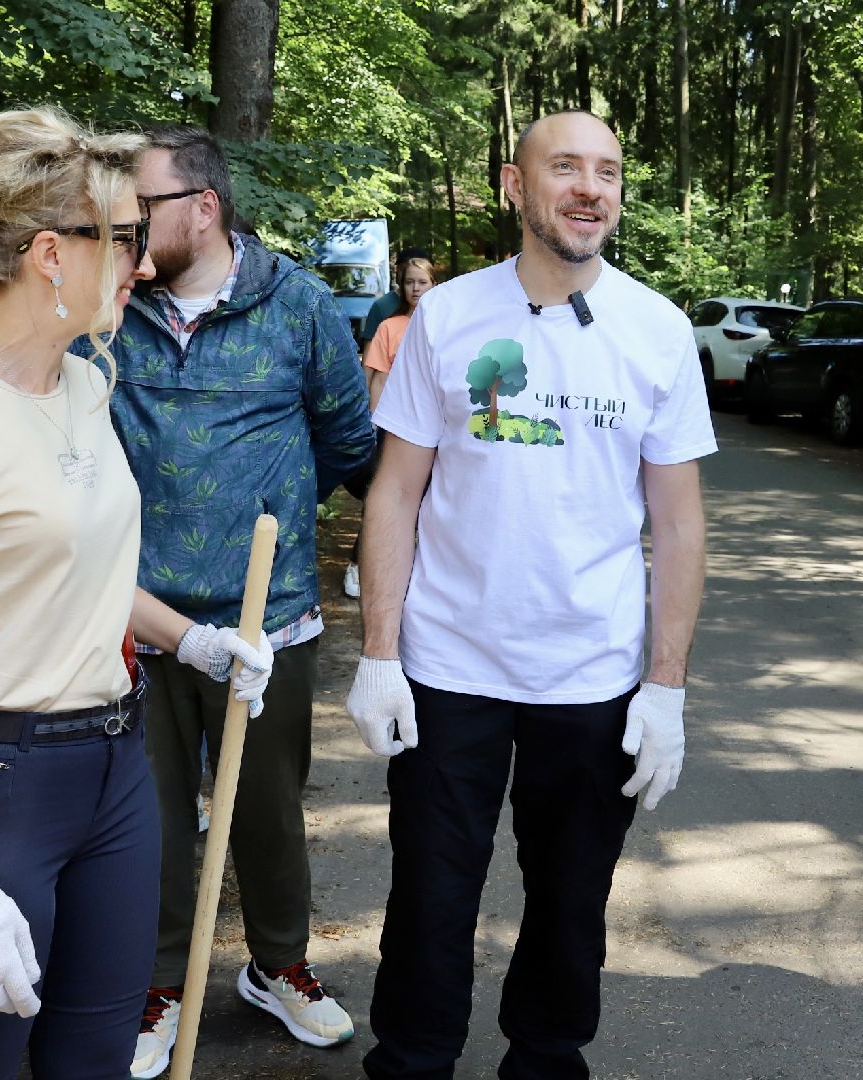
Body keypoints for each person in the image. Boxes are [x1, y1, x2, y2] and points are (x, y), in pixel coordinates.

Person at [0, 124, 375, 1078]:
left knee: (94, 1060)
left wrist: (198, 643)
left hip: (115, 780)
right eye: (128, 239)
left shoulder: (88, 387)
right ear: (53, 254)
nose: (140, 266)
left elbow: (88, 573)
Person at [345, 110, 714, 1079]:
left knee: (569, 904)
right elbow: (396, 488)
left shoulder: (660, 331)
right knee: (428, 898)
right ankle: (412, 1062)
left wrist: (665, 686)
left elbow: (677, 523)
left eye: (608, 171)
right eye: (566, 168)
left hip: (591, 676)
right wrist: (377, 652)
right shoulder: (448, 315)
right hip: (445, 664)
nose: (591, 188)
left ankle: (546, 1063)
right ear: (517, 186)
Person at [342, 257, 437, 598]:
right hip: (391, 428)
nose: (416, 288)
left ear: (434, 285)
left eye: (422, 282)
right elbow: (375, 378)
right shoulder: (389, 327)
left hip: (437, 429)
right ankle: (358, 565)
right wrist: (369, 422)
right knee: (384, 497)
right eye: (410, 281)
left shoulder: (446, 325)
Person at [357, 245, 431, 349]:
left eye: (422, 281)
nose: (415, 287)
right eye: (404, 269)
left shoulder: (443, 310)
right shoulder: (382, 306)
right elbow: (370, 354)